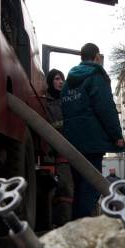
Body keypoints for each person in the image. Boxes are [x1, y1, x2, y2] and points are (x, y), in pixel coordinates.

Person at [61, 43, 125, 220]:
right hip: (91, 142)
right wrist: (116, 136)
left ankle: (75, 228)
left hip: (72, 142)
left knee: (79, 188)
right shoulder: (96, 76)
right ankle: (83, 231)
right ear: (97, 56)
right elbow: (105, 108)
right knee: (90, 188)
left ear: (82, 57)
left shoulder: (69, 82)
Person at [45, 69, 73, 227]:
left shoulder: (67, 99)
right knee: (62, 186)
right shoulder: (43, 101)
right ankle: (61, 223)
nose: (61, 82)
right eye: (57, 79)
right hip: (53, 149)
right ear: (50, 81)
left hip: (68, 149)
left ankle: (66, 222)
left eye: (62, 79)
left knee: (67, 186)